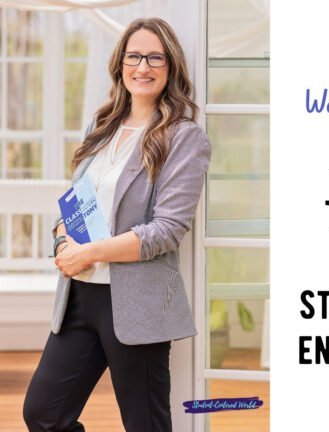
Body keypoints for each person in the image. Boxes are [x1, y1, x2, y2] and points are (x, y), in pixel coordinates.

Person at [22, 17, 210, 432]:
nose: (143, 67)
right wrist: (63, 246)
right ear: (120, 64)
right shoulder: (101, 126)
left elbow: (166, 230)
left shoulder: (183, 137)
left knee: (146, 425)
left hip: (136, 303)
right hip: (79, 297)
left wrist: (89, 252)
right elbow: (72, 206)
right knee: (43, 414)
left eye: (155, 58)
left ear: (171, 66)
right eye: (134, 56)